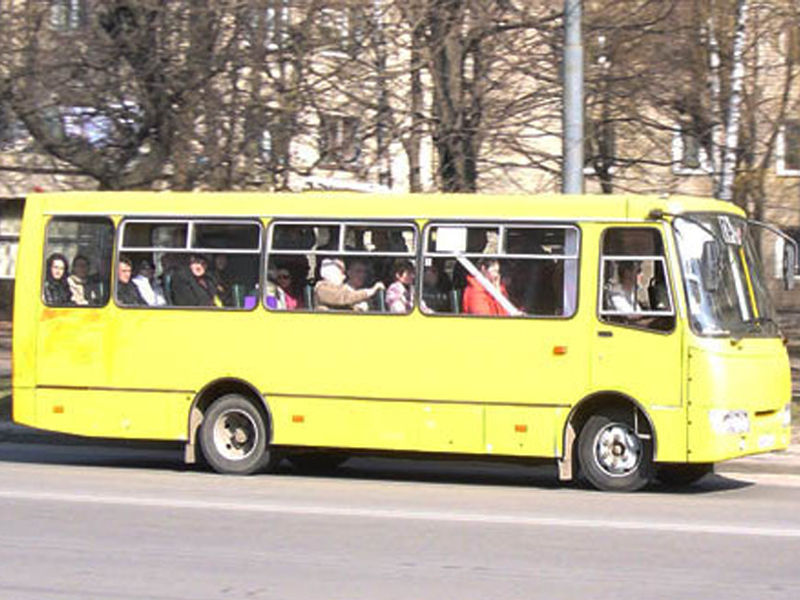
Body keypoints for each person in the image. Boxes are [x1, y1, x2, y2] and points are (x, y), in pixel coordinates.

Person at [314, 258, 384, 311]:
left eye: (365, 272)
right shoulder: (322, 289)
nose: (344, 276)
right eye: (340, 273)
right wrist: (370, 291)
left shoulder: (341, 289)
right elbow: (343, 298)